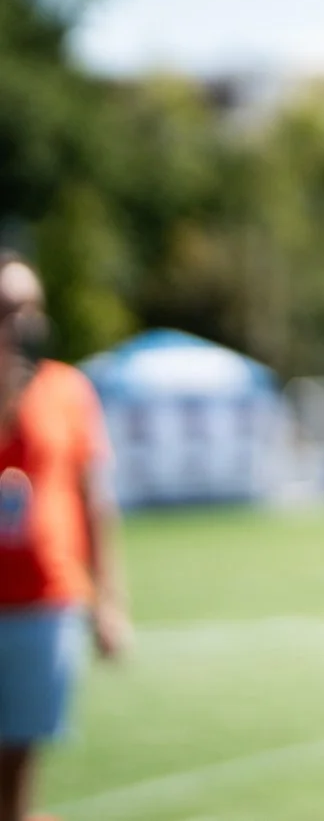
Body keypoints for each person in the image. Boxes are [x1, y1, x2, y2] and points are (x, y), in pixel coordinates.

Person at [0, 254, 126, 821]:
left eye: (28, 307)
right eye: (7, 309)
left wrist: (110, 602)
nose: (19, 321)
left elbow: (96, 502)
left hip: (44, 601)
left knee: (17, 770)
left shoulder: (67, 389)